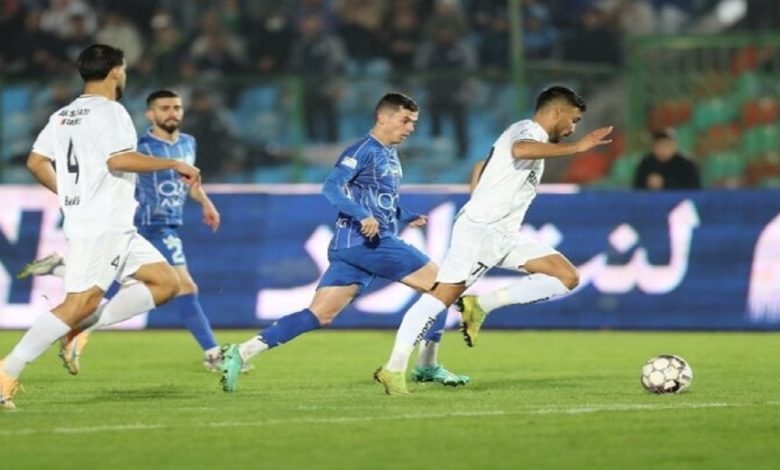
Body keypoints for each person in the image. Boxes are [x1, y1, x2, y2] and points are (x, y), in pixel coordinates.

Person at [219, 93, 468, 393]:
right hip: (369, 243)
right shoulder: (363, 150)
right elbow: (331, 187)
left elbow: (380, 200)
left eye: (413, 122)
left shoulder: (389, 153)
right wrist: (362, 216)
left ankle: (242, 352)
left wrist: (404, 215)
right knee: (443, 287)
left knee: (320, 314)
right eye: (405, 121)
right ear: (383, 118)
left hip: (350, 248)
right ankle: (426, 365)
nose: (410, 128)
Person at [374, 86, 614, 395]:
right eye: (574, 120)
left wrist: (480, 195)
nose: (573, 129)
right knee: (438, 298)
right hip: (481, 232)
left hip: (504, 234)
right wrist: (578, 148)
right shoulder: (527, 132)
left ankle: (479, 305)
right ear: (557, 112)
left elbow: (480, 165)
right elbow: (520, 150)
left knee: (566, 276)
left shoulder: (529, 137)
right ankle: (393, 369)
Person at [0, 44, 200, 410]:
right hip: (102, 224)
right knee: (80, 303)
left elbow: (35, 162)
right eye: (124, 70)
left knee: (167, 283)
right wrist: (173, 164)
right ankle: (6, 372)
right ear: (116, 72)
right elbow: (119, 160)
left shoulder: (63, 115)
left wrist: (69, 194)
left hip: (113, 223)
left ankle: (81, 327)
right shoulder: (112, 111)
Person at [17, 89, 231, 373]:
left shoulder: (188, 143)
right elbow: (113, 168)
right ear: (150, 114)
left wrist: (204, 201)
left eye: (177, 108)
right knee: (182, 286)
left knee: (120, 286)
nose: (172, 113)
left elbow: (187, 183)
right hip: (144, 224)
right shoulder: (139, 146)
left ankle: (61, 271)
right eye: (165, 108)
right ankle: (213, 353)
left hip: (168, 223)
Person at [633, 128, 700, 190]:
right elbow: (637, 189)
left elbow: (694, 189)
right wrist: (649, 185)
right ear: (652, 147)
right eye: (659, 145)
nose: (662, 150)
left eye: (666, 145)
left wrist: (665, 183)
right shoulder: (645, 163)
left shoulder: (687, 164)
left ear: (674, 146)